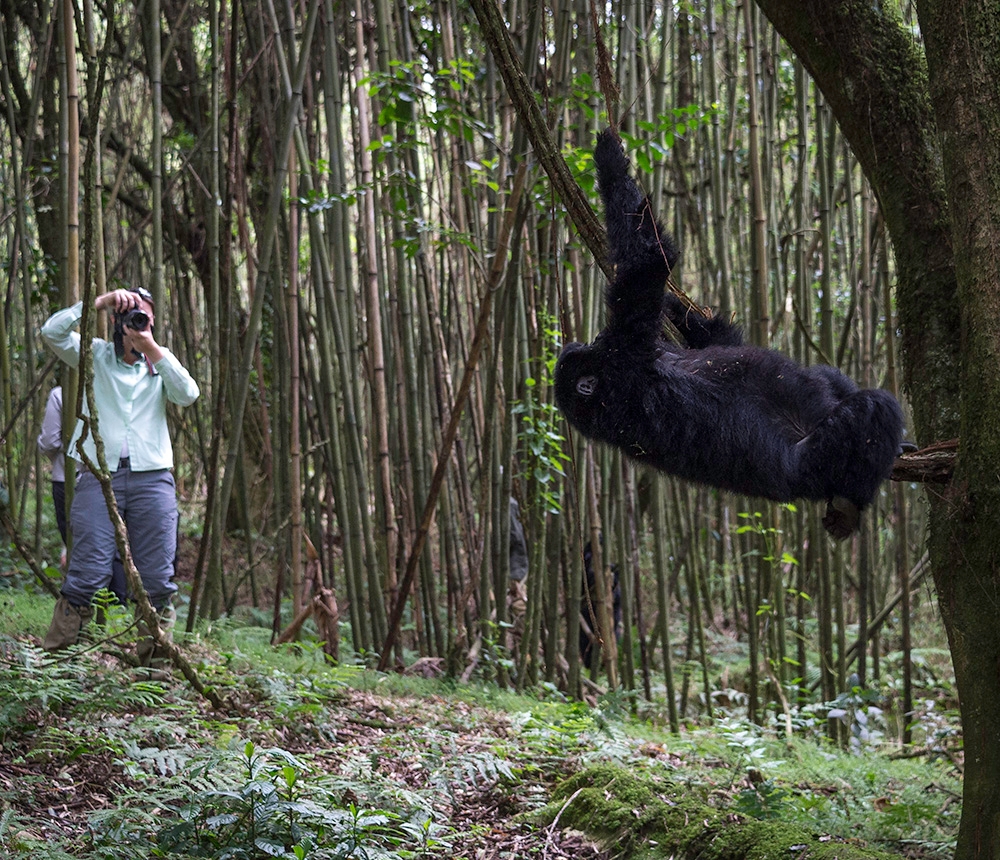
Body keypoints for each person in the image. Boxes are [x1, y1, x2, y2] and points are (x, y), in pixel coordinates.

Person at [40, 287, 199, 654]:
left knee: (157, 577)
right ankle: (59, 663)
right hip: (98, 475)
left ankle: (155, 670)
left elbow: (188, 394)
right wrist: (100, 301)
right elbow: (51, 333)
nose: (137, 324)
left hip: (153, 477)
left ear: (153, 324)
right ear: (117, 322)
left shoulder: (161, 364)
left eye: (144, 318)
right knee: (87, 570)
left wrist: (152, 350)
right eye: (131, 317)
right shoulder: (95, 354)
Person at [37, 385, 128, 603]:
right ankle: (116, 605)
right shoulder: (113, 390)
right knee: (114, 544)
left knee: (77, 543)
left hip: (67, 477)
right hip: (107, 475)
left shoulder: (60, 394)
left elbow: (49, 440)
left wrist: (61, 457)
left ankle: (79, 608)